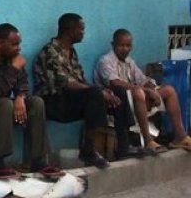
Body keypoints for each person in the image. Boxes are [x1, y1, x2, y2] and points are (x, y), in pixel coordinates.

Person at [33, 13, 142, 169]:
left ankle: (124, 146)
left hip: (71, 100)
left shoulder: (71, 51)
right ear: (69, 30)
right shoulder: (50, 52)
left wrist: (105, 93)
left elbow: (81, 80)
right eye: (81, 29)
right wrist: (98, 92)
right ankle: (88, 150)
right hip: (53, 102)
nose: (83, 32)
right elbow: (66, 83)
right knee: (95, 93)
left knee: (117, 90)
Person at [0, 23, 63, 179]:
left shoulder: (11, 58)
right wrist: (14, 69)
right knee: (5, 103)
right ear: (0, 44)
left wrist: (20, 97)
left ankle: (38, 160)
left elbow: (23, 84)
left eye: (19, 43)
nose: (19, 48)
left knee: (36, 102)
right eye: (15, 44)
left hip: (2, 108)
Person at [94, 29, 191, 154]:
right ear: (113, 44)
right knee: (139, 92)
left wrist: (151, 88)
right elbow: (115, 83)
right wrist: (144, 89)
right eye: (121, 45)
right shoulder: (105, 61)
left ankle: (180, 137)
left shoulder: (129, 62)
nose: (125, 49)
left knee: (169, 90)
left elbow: (142, 79)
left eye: (128, 46)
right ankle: (148, 141)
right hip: (116, 102)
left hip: (135, 99)